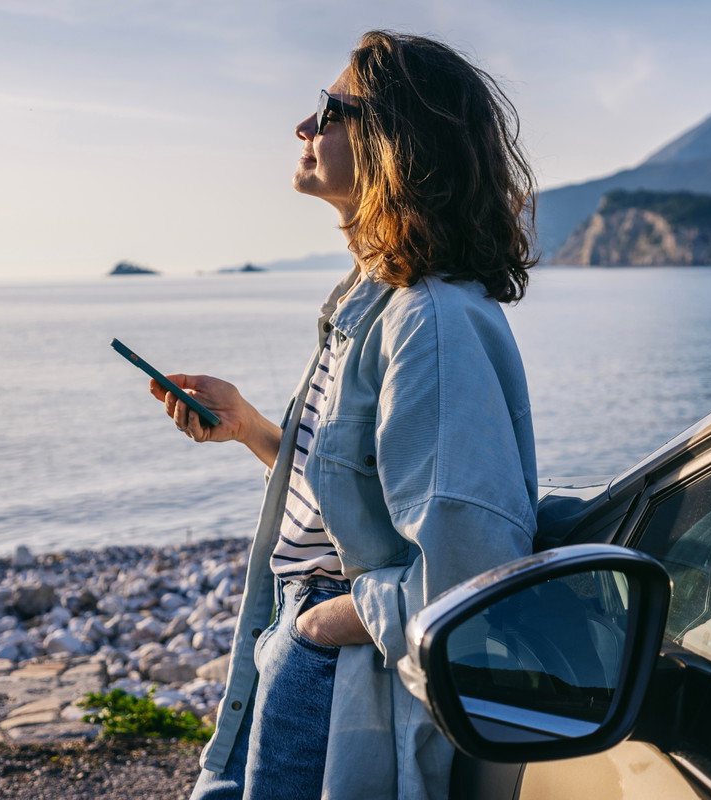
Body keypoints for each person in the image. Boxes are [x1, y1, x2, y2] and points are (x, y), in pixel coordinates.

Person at [150, 30, 540, 800]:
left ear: (396, 142)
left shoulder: (428, 322)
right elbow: (362, 499)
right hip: (302, 638)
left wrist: (323, 625)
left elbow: (473, 570)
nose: (305, 126)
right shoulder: (374, 301)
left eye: (331, 109)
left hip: (339, 662)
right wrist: (255, 430)